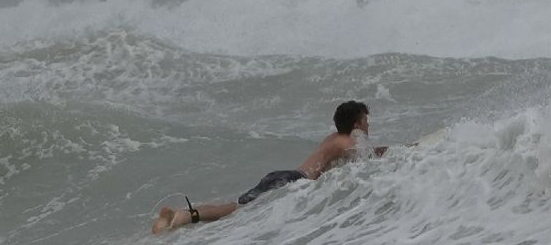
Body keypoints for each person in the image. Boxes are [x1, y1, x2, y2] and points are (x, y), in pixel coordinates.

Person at [151, 100, 389, 234]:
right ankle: (182, 217)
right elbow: (367, 159)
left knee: (236, 208)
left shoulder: (333, 138)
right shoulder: (348, 141)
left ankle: (185, 214)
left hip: (283, 176)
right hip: (292, 182)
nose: (368, 125)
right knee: (237, 212)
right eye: (366, 121)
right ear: (357, 124)